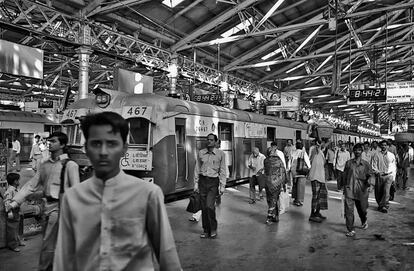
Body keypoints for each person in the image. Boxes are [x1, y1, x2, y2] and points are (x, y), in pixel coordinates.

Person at [54, 112, 181, 270]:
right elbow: (63, 259)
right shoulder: (72, 198)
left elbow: (166, 253)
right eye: (96, 144)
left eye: (112, 144)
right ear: (86, 148)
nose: (103, 152)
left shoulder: (148, 194)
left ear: (124, 149)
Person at [10, 132, 80, 271]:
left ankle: (43, 268)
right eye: (49, 141)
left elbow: (76, 191)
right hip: (46, 206)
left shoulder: (70, 165)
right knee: (51, 241)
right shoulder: (45, 164)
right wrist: (14, 202)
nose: (50, 143)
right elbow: (31, 185)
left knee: (48, 242)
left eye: (53, 141)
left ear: (63, 145)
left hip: (60, 208)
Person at [194, 133, 226, 239]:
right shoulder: (201, 153)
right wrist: (195, 183)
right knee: (204, 208)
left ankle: (213, 228)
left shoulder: (221, 154)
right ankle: (205, 230)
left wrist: (222, 185)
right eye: (208, 139)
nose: (209, 141)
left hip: (213, 182)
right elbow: (197, 168)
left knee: (209, 206)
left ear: (216, 142)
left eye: (211, 140)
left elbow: (223, 170)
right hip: (203, 182)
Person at [341, 143, 374, 237]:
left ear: (362, 151)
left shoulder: (366, 164)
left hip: (361, 190)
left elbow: (370, 175)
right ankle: (350, 229)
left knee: (362, 209)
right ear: (353, 151)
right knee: (349, 210)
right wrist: (343, 186)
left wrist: (370, 184)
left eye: (359, 150)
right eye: (355, 150)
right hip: (349, 189)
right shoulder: (349, 163)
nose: (357, 151)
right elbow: (345, 175)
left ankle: (364, 220)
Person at [263, 146, 287, 224]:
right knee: (274, 199)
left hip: (268, 183)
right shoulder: (279, 160)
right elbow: (283, 171)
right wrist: (284, 183)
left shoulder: (265, 160)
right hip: (276, 183)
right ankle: (269, 217)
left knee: (270, 199)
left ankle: (275, 216)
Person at [371, 140, 397, 213]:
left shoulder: (391, 155)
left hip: (389, 176)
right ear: (380, 146)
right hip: (379, 176)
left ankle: (384, 206)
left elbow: (394, 166)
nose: (384, 146)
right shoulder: (376, 155)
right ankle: (380, 204)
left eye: (385, 145)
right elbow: (373, 165)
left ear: (388, 146)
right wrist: (377, 172)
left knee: (386, 191)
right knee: (378, 192)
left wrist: (393, 178)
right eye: (382, 145)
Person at [308, 139, 328, 223]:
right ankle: (312, 214)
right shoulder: (314, 150)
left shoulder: (321, 152)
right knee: (315, 196)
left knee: (321, 196)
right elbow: (312, 155)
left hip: (321, 177)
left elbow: (323, 163)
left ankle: (317, 212)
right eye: (320, 143)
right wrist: (318, 144)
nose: (321, 144)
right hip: (315, 177)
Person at [4, 173, 25, 252]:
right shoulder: (10, 190)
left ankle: (18, 240)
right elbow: (7, 201)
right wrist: (9, 213)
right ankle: (12, 245)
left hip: (18, 211)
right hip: (12, 212)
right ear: (15, 181)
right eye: (18, 180)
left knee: (18, 228)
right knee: (12, 229)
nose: (19, 181)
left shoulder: (16, 189)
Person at [289, 141, 310, 206]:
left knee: (295, 186)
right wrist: (309, 168)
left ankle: (295, 199)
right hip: (301, 172)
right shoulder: (303, 153)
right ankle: (300, 201)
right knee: (301, 186)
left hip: (294, 172)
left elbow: (290, 161)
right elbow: (307, 162)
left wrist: (289, 169)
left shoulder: (293, 152)